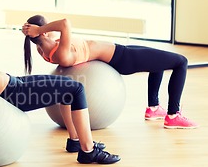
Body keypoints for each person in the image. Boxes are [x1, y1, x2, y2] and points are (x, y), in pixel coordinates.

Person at [22, 14, 198, 131]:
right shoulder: (61, 52)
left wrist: (36, 31)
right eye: (45, 29)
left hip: (120, 51)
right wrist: (38, 29)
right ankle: (173, 115)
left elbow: (51, 31)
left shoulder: (43, 48)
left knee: (158, 60)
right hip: (122, 58)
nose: (50, 30)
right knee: (181, 62)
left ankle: (153, 109)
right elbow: (65, 24)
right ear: (42, 33)